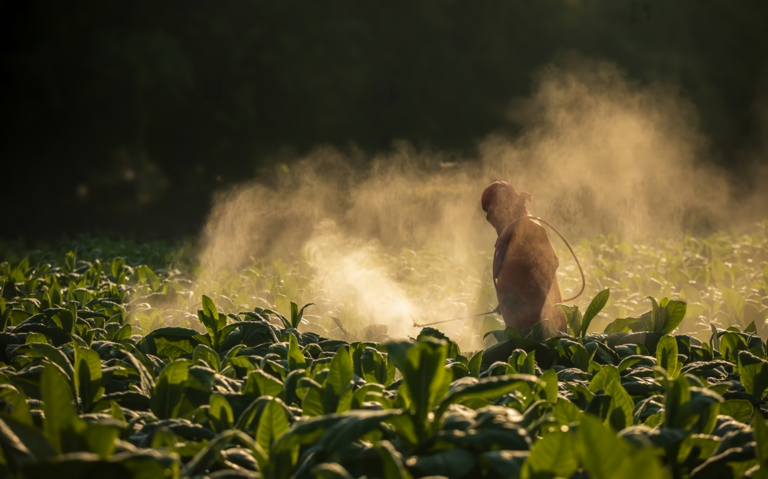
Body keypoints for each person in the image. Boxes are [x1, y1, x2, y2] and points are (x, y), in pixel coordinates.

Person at [481, 181, 566, 332]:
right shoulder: (507, 235)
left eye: (493, 211)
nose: (491, 218)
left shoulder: (529, 228)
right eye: (488, 213)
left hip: (542, 330)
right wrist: (506, 301)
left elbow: (546, 274)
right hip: (523, 328)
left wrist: (519, 302)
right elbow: (516, 274)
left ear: (506, 206)